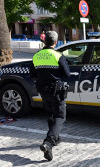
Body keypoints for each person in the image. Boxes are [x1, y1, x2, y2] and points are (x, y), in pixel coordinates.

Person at [29, 31, 70, 161]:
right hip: (56, 90)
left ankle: (55, 138)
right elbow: (67, 74)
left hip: (42, 89)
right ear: (55, 42)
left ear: (45, 41)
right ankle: (49, 142)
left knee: (51, 114)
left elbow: (32, 73)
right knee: (60, 116)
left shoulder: (37, 55)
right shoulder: (58, 55)